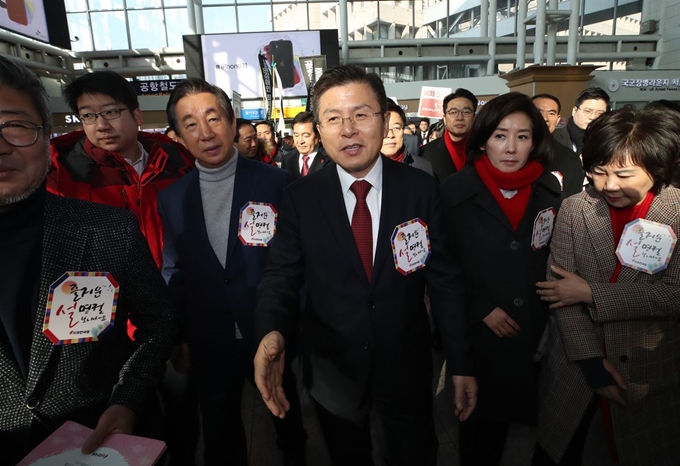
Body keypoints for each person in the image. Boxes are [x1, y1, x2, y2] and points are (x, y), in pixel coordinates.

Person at [253, 64, 477, 466]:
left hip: (405, 363)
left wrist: (460, 362)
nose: (349, 129)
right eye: (334, 118)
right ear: (319, 131)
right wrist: (271, 330)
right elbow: (280, 275)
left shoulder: (421, 189)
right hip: (333, 371)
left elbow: (444, 281)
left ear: (385, 119)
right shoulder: (301, 197)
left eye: (361, 115)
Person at [0, 55, 175, 464]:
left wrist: (129, 399)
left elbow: (158, 320)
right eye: (89, 115)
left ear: (44, 135)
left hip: (101, 441)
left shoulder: (108, 228)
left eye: (14, 125)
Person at [158, 78, 306, 466]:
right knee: (220, 431)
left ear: (231, 120)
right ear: (177, 136)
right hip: (209, 335)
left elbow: (293, 259)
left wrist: (294, 323)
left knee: (285, 412)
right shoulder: (172, 198)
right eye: (191, 124)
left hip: (267, 327)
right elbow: (175, 270)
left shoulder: (275, 180)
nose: (206, 133)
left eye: (214, 118)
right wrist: (179, 336)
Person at [534, 106, 680, 466]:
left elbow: (673, 293)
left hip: (648, 373)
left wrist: (590, 292)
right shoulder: (575, 210)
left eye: (624, 174)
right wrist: (592, 363)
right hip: (574, 366)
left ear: (656, 166)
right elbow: (558, 292)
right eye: (598, 172)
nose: (609, 185)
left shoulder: (676, 212)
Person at [441, 93, 563, 465]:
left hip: (534, 333)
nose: (511, 147)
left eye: (522, 136)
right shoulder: (453, 192)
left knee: (529, 438)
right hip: (480, 336)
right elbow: (443, 267)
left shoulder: (549, 189)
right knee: (479, 439)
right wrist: (480, 307)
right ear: (482, 140)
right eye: (500, 136)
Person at [47, 71, 194, 269]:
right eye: (88, 115)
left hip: (176, 287)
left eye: (110, 112)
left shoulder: (177, 161)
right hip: (107, 294)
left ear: (137, 115)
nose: (101, 125)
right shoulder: (63, 175)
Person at [531, 93, 585, 197]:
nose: (545, 118)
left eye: (551, 113)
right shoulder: (512, 153)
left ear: (558, 119)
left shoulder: (569, 159)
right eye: (538, 112)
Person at [424, 88, 478, 184]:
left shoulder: (485, 150)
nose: (459, 118)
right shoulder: (425, 153)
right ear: (444, 118)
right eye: (453, 112)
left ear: (474, 117)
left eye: (466, 112)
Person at [552, 87, 610, 156]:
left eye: (600, 114)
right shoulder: (552, 138)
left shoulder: (608, 141)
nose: (593, 117)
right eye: (588, 111)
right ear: (574, 111)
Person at [381, 100, 433, 175]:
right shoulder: (362, 168)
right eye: (383, 129)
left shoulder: (423, 167)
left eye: (396, 128)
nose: (390, 135)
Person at [281, 111, 329, 180]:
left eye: (306, 135)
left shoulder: (331, 159)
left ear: (318, 135)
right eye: (296, 135)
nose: (300, 141)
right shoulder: (287, 159)